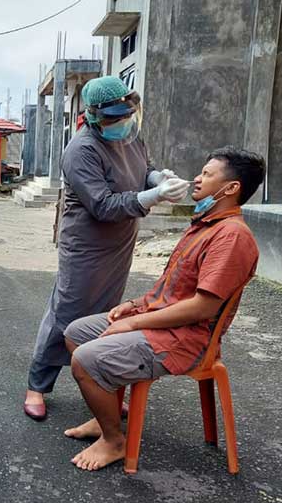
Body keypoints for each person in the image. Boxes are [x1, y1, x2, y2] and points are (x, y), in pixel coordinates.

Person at [62, 146, 265, 471]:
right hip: (162, 325)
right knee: (77, 332)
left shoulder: (232, 237)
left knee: (85, 359)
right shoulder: (205, 224)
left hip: (186, 340)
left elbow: (202, 308)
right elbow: (171, 289)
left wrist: (132, 324)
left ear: (231, 189)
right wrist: (132, 306)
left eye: (207, 174)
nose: (197, 178)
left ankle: (114, 442)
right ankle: (105, 419)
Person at [24, 76, 190, 421]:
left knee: (107, 313)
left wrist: (159, 179)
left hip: (120, 242)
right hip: (86, 244)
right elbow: (102, 205)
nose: (121, 125)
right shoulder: (81, 150)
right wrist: (151, 197)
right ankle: (37, 385)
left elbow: (144, 169)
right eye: (113, 119)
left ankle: (100, 386)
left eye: (126, 116)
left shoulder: (131, 135)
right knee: (66, 313)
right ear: (96, 117)